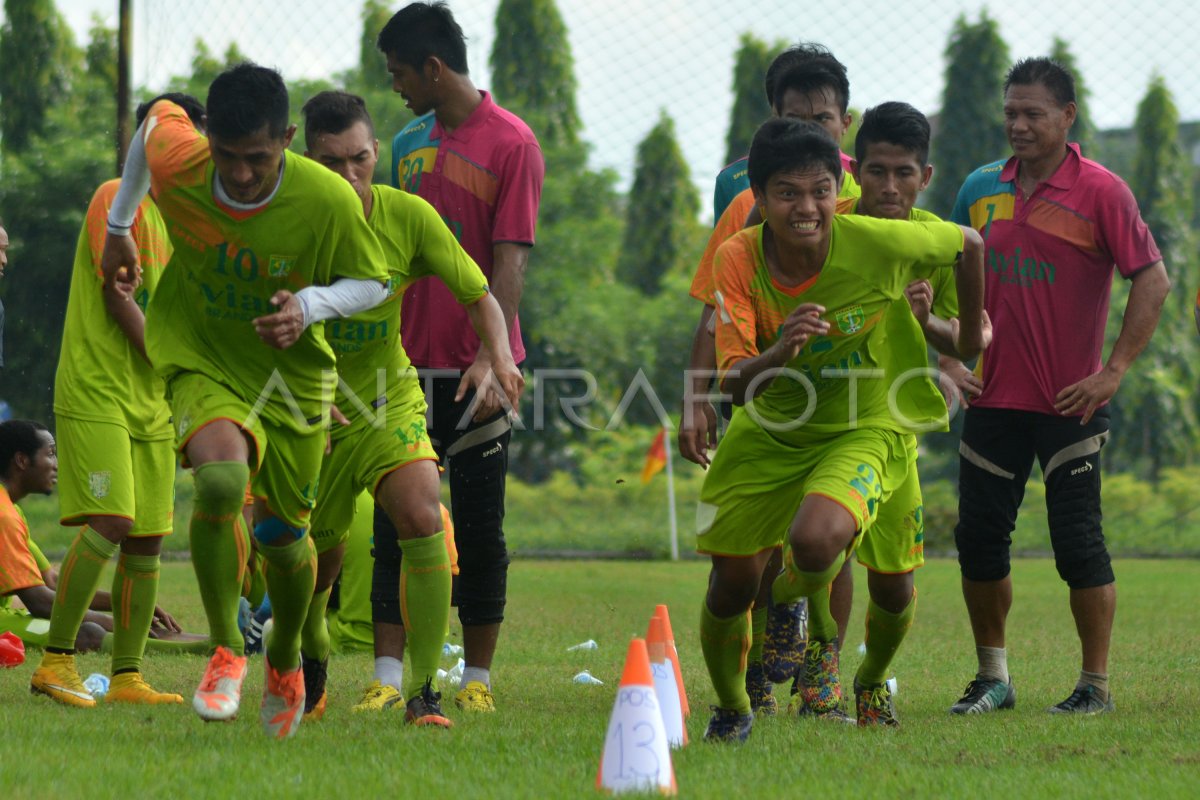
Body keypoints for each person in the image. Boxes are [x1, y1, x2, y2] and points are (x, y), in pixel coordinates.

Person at [97, 63, 391, 738]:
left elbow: (371, 283)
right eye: (226, 157)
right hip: (201, 354)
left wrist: (310, 307)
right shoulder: (183, 158)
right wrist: (122, 223)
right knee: (223, 480)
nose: (241, 174)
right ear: (208, 142)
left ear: (286, 138)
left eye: (258, 159)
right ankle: (229, 646)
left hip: (290, 377)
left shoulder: (327, 199)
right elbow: (151, 126)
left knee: (285, 541)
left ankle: (285, 649)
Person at [697, 117, 985, 742]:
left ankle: (866, 675)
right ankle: (732, 709)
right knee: (730, 585)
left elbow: (971, 245)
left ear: (838, 189)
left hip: (869, 424)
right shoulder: (737, 259)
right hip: (773, 427)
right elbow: (733, 386)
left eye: (820, 191)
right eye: (788, 194)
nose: (807, 208)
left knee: (841, 553)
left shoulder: (881, 240)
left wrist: (956, 346)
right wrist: (781, 351)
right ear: (762, 200)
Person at [945, 57, 1169, 716]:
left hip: (1071, 405)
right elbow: (942, 278)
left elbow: (1152, 281)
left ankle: (1094, 687)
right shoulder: (979, 188)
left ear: (1067, 117)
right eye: (1010, 111)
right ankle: (994, 679)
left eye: (1032, 113)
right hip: (990, 400)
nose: (1017, 124)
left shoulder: (1104, 192)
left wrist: (1114, 370)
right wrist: (945, 359)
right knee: (980, 541)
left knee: (1079, 544)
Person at [299, 89, 522, 725]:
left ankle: (422, 691)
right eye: (329, 161)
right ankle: (307, 647)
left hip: (387, 396)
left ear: (377, 154)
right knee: (318, 555)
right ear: (302, 156)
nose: (348, 174)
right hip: (305, 403)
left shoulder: (410, 216)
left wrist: (499, 354)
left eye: (360, 158)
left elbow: (480, 293)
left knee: (424, 515)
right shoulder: (287, 225)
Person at [681, 48, 863, 717]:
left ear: (846, 119)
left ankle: (824, 672)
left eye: (824, 117)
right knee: (746, 547)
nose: (813, 127)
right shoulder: (748, 203)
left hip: (848, 397)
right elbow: (713, 310)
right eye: (796, 117)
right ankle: (752, 666)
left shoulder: (866, 202)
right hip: (759, 390)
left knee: (828, 539)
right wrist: (693, 399)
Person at [376, 1, 544, 713]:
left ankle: (476, 683)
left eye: (400, 74)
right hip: (402, 364)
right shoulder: (406, 141)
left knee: (477, 526)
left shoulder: (513, 143)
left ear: (434, 68)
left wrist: (489, 351)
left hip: (480, 365)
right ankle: (387, 683)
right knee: (395, 523)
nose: (396, 88)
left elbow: (509, 260)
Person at [29, 94, 205, 710]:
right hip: (98, 389)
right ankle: (55, 662)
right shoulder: (116, 198)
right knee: (112, 521)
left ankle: (128, 676)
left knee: (149, 537)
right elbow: (117, 298)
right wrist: (179, 368)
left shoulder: (191, 228)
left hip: (154, 403)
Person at [2, 420, 204, 659]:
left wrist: (123, 603)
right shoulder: (4, 516)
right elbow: (39, 602)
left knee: (83, 626)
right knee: (86, 633)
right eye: (51, 454)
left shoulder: (11, 510)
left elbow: (53, 581)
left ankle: (204, 642)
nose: (57, 464)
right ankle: (206, 648)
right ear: (22, 460)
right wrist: (116, 621)